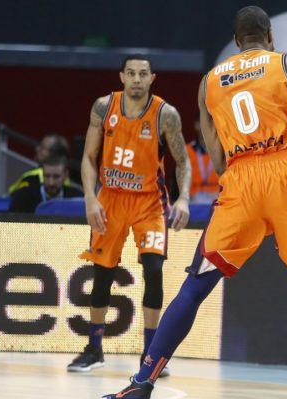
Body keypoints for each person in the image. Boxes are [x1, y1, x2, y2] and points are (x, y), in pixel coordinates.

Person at [100, 7, 287, 399]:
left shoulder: (209, 81)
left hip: (241, 178)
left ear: (235, 39)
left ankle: (141, 386)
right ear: (269, 35)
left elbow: (213, 152)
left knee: (195, 287)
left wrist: (239, 176)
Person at [67, 55, 192, 375]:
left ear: (153, 78)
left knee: (154, 269)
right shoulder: (103, 107)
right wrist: (90, 199)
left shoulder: (166, 114)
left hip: (149, 203)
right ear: (122, 76)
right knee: (102, 274)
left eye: (143, 74)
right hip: (110, 200)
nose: (137, 79)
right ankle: (94, 348)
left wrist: (184, 199)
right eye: (132, 73)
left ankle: (150, 354)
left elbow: (183, 161)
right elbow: (88, 157)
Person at [8, 153, 83, 213]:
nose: (51, 183)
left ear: (66, 175)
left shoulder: (77, 197)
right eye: (47, 176)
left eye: (56, 177)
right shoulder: (23, 196)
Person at [8, 133, 78, 194]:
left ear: (54, 153)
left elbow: (11, 194)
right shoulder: (66, 179)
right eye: (47, 176)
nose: (37, 149)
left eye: (42, 147)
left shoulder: (32, 177)